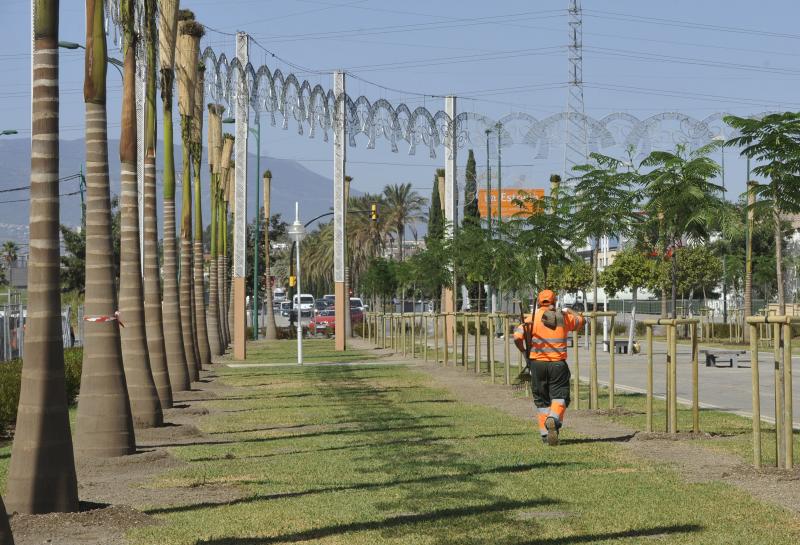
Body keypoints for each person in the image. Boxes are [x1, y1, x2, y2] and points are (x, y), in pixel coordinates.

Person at [513, 290, 584, 446]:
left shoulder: (530, 318)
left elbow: (517, 337)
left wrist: (525, 352)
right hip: (557, 364)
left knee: (541, 400)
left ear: (538, 302)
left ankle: (545, 435)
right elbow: (581, 321)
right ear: (555, 301)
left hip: (537, 364)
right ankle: (554, 418)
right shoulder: (563, 317)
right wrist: (568, 309)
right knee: (561, 395)